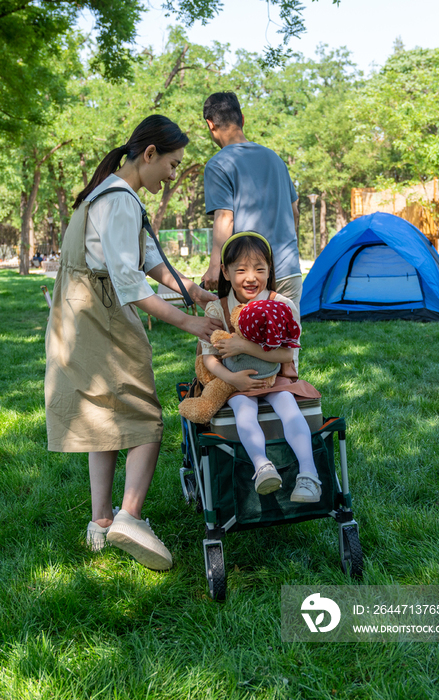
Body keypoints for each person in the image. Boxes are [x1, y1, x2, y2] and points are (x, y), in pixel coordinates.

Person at [45, 114, 222, 571]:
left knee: (102, 417)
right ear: (149, 155)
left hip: (77, 314)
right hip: (101, 315)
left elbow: (144, 260)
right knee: (146, 416)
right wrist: (187, 322)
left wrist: (189, 290)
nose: (172, 174)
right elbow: (130, 283)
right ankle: (131, 518)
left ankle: (100, 522)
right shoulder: (122, 200)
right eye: (172, 164)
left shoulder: (104, 190)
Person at [200, 231, 322, 503]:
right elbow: (208, 358)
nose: (251, 277)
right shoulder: (216, 309)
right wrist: (234, 379)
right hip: (236, 382)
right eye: (241, 269)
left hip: (275, 378)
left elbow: (286, 355)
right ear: (226, 272)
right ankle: (262, 465)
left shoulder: (281, 305)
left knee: (288, 407)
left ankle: (309, 474)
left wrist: (243, 347)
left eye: (259, 269)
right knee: (244, 410)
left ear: (270, 270)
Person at [201, 92, 302, 310]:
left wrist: (215, 267)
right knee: (288, 342)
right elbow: (295, 212)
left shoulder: (218, 164)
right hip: (289, 270)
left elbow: (225, 218)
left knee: (246, 343)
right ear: (242, 119)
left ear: (210, 125)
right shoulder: (276, 160)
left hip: (250, 277)